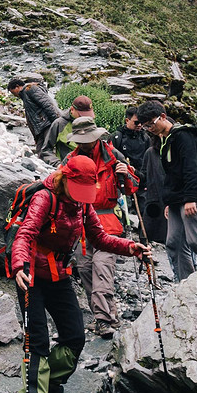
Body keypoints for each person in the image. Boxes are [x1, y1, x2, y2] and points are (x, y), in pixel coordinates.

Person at [10, 154, 148, 393]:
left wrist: (131, 247)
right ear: (66, 179)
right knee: (38, 343)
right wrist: (19, 264)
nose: (84, 196)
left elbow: (100, 238)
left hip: (58, 273)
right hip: (31, 274)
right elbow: (25, 233)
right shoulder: (45, 198)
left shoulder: (83, 205)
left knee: (74, 336)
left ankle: (51, 390)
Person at [65, 117, 140, 337]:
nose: (85, 144)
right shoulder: (71, 160)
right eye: (81, 140)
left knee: (102, 268)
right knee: (86, 271)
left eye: (88, 139)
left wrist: (125, 175)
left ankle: (103, 320)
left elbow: (132, 189)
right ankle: (110, 315)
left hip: (108, 223)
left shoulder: (114, 156)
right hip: (81, 226)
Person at [136, 101, 197, 281]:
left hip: (193, 197)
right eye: (145, 127)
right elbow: (171, 174)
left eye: (151, 124)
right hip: (175, 200)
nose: (150, 129)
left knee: (195, 240)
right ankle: (186, 281)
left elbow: (192, 169)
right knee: (173, 242)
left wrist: (191, 198)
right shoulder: (164, 140)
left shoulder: (183, 136)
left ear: (163, 117)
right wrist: (169, 202)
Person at [7, 74, 64, 156]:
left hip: (47, 124)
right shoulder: (25, 95)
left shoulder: (30, 89)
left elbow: (47, 104)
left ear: (17, 87)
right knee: (40, 151)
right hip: (41, 128)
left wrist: (56, 122)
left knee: (46, 150)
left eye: (13, 93)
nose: (15, 96)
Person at [112, 107, 149, 179]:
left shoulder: (145, 137)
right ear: (127, 120)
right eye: (136, 122)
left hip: (142, 178)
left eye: (142, 122)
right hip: (123, 177)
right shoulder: (117, 137)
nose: (139, 125)